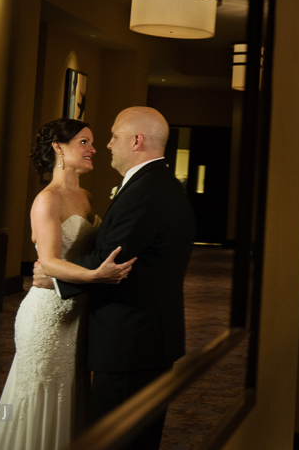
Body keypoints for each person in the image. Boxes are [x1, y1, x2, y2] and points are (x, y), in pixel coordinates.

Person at [34, 106, 195, 450]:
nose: (106, 145)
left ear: (136, 141)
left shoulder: (145, 191)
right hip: (146, 335)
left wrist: (54, 278)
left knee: (119, 438)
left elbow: (113, 257)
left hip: (131, 339)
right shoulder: (158, 183)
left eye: (113, 136)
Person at [0, 119, 134, 450]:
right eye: (84, 142)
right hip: (48, 316)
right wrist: (97, 276)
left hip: (78, 314)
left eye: (93, 142)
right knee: (42, 396)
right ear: (58, 148)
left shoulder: (87, 196)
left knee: (70, 395)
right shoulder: (47, 200)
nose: (93, 149)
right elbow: (49, 261)